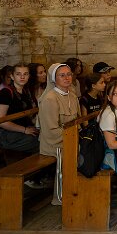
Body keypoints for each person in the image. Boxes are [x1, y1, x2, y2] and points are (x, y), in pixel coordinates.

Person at [39, 63, 82, 206]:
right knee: (68, 153)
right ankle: (61, 197)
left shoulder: (73, 95)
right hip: (54, 143)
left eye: (69, 74)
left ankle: (78, 190)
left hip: (71, 137)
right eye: (61, 75)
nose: (66, 78)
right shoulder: (50, 99)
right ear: (53, 79)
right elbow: (50, 130)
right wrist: (73, 138)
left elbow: (78, 121)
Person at [0, 63, 39, 154]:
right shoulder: (6, 93)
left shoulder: (25, 92)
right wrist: (24, 130)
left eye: (25, 74)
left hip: (21, 131)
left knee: (47, 137)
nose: (22, 77)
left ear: (29, 76)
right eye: (18, 74)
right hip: (5, 134)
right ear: (12, 76)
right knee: (41, 142)